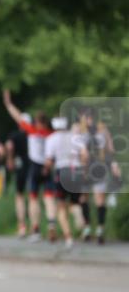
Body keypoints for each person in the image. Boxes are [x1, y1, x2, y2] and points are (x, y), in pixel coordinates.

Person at [3, 90, 53, 241]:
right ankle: (51, 224)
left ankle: (35, 229)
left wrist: (8, 104)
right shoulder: (50, 133)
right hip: (48, 167)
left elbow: (17, 117)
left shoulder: (31, 130)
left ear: (36, 122)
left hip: (34, 167)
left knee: (33, 199)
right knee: (49, 198)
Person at [75, 106, 119, 245]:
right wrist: (113, 164)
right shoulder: (102, 129)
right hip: (95, 168)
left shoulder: (81, 131)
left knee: (88, 198)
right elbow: (111, 150)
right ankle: (96, 229)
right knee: (94, 199)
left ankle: (91, 229)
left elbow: (82, 153)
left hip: (89, 168)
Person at [44, 117, 86, 249]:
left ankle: (68, 237)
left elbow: (49, 160)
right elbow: (84, 154)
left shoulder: (51, 139)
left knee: (61, 206)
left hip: (61, 171)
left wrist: (46, 169)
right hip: (76, 170)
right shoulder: (75, 137)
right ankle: (80, 222)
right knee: (75, 202)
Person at [5, 114, 31, 237]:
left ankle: (22, 226)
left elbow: (9, 146)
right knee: (33, 197)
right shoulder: (34, 134)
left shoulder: (15, 135)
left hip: (20, 166)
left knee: (19, 196)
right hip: (33, 166)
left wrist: (9, 160)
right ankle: (34, 226)